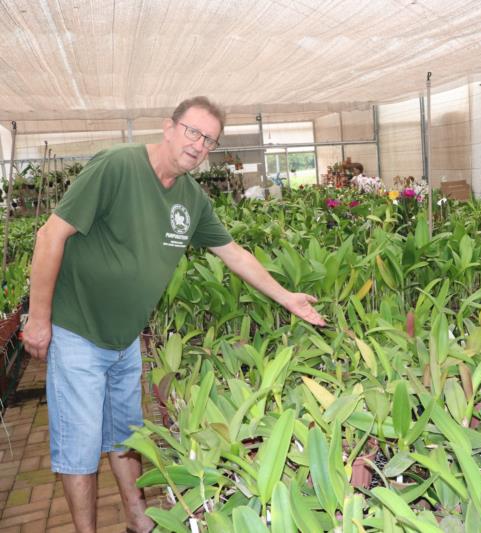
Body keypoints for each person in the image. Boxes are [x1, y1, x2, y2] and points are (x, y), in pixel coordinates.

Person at [22, 96, 326, 533]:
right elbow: (50, 234)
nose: (200, 145)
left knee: (126, 436)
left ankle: (139, 521)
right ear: (169, 127)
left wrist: (287, 298)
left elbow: (234, 253)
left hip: (126, 339)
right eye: (193, 132)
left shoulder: (191, 198)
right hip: (79, 333)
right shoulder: (118, 166)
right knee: (80, 447)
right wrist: (38, 317)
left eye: (210, 141)